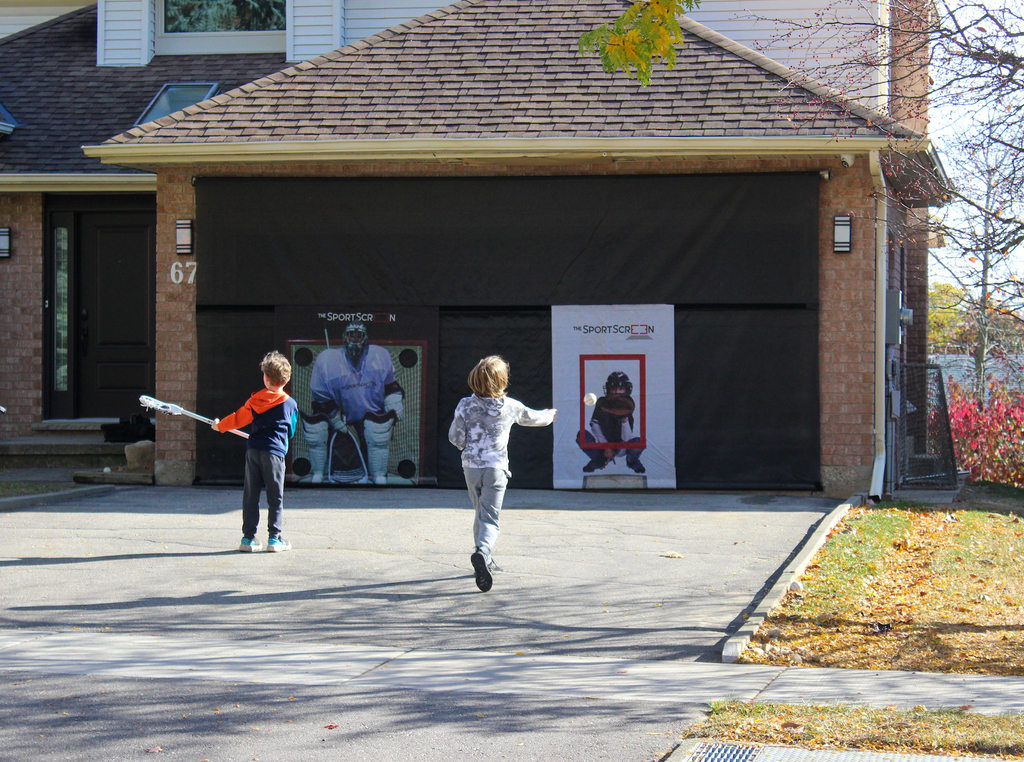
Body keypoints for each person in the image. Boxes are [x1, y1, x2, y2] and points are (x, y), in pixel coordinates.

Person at [448, 355, 556, 592]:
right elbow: (537, 419)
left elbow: (455, 437)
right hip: (496, 469)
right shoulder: (511, 406)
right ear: (502, 380)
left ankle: (486, 559)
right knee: (490, 518)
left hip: (471, 468)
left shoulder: (465, 405)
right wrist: (550, 413)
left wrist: (467, 447)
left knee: (480, 513)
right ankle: (483, 552)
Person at [212, 351, 298, 552]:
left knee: (251, 494)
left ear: (266, 378)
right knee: (275, 495)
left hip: (253, 451)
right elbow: (291, 432)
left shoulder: (255, 401)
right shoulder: (291, 405)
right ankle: (274, 539)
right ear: (286, 379)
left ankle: (248, 538)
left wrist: (220, 426)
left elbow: (238, 418)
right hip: (275, 454)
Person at [303, 322, 404, 485]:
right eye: (351, 335)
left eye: (359, 335)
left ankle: (378, 475)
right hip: (337, 411)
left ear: (366, 338)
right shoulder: (327, 359)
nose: (355, 340)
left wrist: (394, 401)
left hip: (369, 412)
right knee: (316, 430)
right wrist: (333, 415)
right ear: (344, 337)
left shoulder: (380, 355)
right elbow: (320, 397)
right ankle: (319, 473)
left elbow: (390, 385)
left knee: (377, 431)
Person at [578, 370, 645, 474]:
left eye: (621, 388)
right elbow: (595, 425)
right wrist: (606, 446)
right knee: (582, 436)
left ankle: (632, 460)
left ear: (626, 389)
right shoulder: (602, 402)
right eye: (613, 388)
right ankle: (599, 460)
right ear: (608, 389)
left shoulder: (628, 403)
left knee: (639, 442)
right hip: (603, 442)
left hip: (621, 444)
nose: (617, 391)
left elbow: (626, 437)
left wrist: (624, 420)